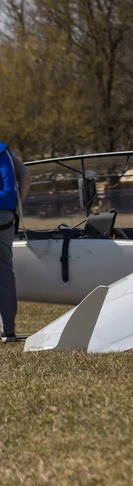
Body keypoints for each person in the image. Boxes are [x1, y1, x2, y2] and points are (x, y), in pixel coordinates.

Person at [0, 143, 31, 342]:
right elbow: (26, 177)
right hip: (5, 217)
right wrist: (17, 207)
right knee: (5, 272)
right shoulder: (5, 152)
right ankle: (9, 330)